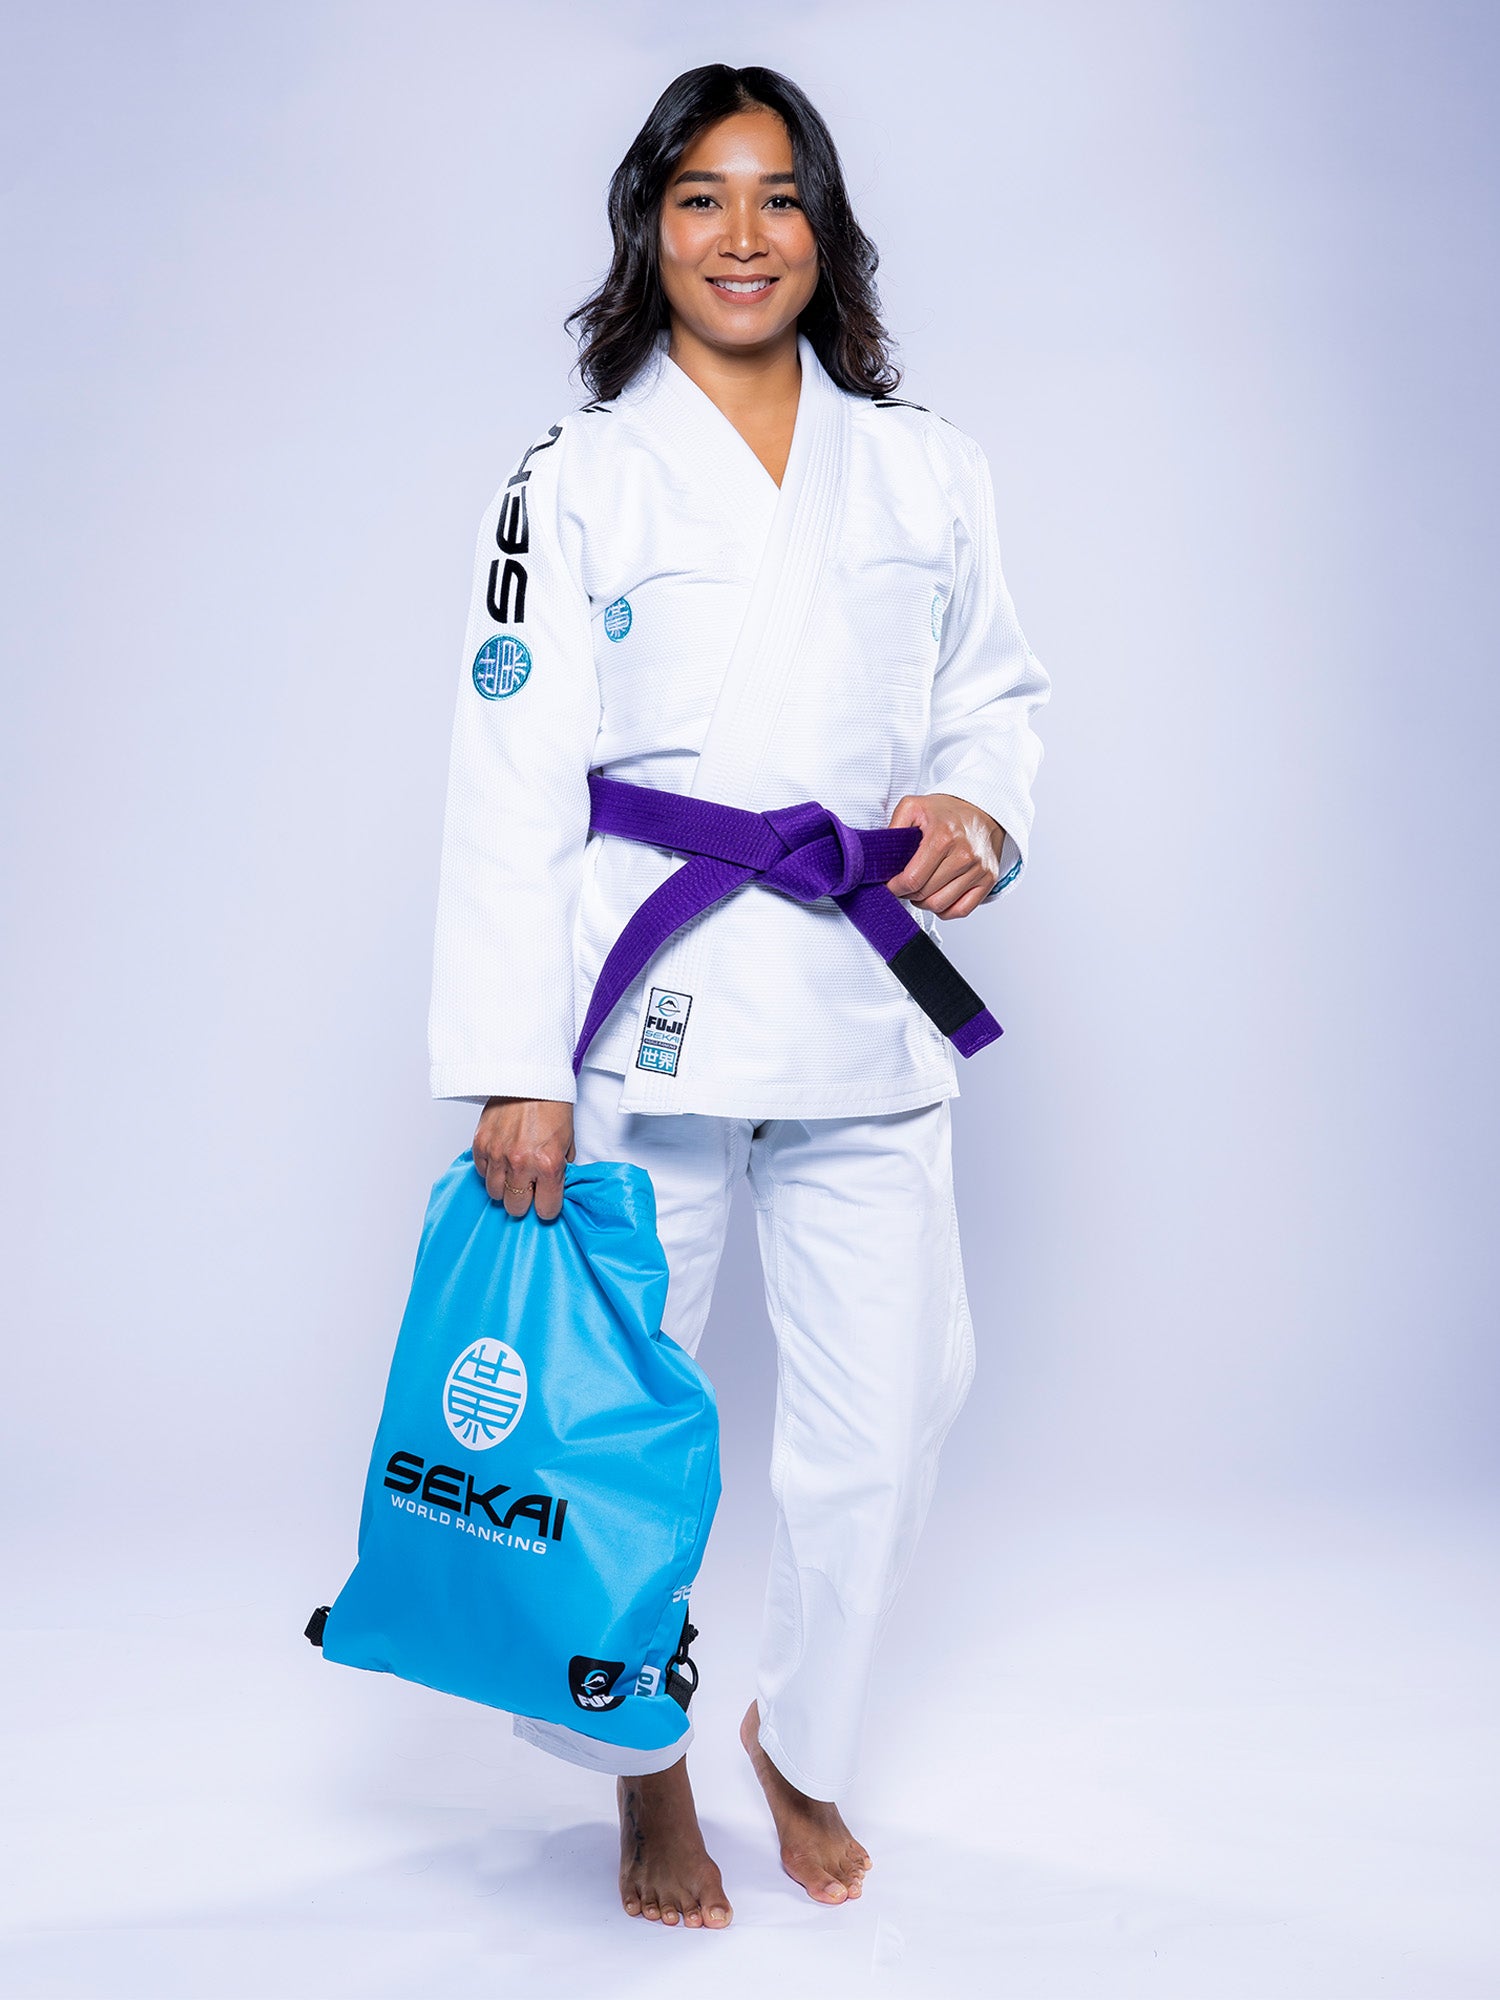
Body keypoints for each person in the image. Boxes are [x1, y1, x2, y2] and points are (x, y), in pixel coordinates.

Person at [427, 63, 1050, 1930]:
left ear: (824, 228)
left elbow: (995, 696)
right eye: (702, 198)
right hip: (650, 1008)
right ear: (650, 228)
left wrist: (979, 810)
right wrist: (507, 1064)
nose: (743, 234)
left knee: (898, 1411)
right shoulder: (575, 478)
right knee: (617, 1421)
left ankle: (801, 1729)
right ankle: (645, 1767)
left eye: (778, 198)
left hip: (859, 1000)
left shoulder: (929, 462)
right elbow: (510, 773)